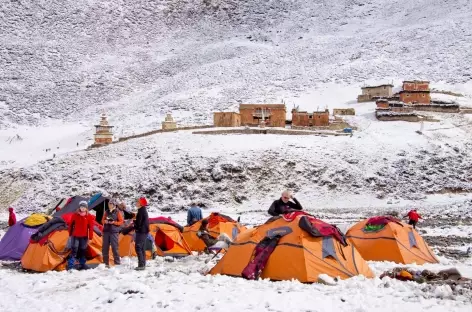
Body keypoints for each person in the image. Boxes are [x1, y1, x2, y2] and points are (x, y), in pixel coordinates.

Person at [68, 201, 94, 270]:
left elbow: (91, 227)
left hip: (84, 236)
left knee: (83, 250)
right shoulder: (75, 215)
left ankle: (82, 264)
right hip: (75, 235)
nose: (83, 208)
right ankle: (71, 264)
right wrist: (70, 233)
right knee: (74, 249)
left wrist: (90, 236)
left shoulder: (89, 216)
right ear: (79, 207)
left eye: (84, 207)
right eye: (81, 207)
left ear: (86, 208)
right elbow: (71, 225)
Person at [101, 198, 124, 267]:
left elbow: (121, 222)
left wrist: (114, 222)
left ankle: (117, 263)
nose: (109, 205)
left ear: (114, 205)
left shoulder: (117, 212)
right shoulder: (106, 211)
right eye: (109, 204)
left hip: (114, 232)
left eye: (111, 204)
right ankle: (106, 263)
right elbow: (102, 220)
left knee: (114, 247)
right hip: (106, 232)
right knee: (105, 247)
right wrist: (105, 221)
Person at [134, 197, 150, 270]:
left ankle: (141, 265)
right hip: (144, 231)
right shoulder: (143, 210)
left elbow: (138, 223)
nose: (136, 203)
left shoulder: (140, 211)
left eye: (137, 201)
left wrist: (134, 223)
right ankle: (143, 264)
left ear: (141, 203)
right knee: (142, 248)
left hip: (141, 232)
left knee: (138, 247)